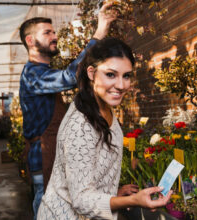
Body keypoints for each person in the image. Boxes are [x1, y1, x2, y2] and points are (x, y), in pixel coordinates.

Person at [37, 38, 172, 220]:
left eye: (126, 76)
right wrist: (133, 200)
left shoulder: (102, 107)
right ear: (91, 73)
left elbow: (85, 177)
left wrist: (113, 192)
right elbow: (82, 200)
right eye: (111, 74)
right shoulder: (80, 126)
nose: (121, 85)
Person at [18, 3, 117, 219]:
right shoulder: (32, 74)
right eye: (47, 33)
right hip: (43, 156)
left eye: (53, 32)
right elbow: (70, 77)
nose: (54, 37)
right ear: (30, 41)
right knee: (47, 208)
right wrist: (99, 32)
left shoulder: (43, 72)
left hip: (53, 154)